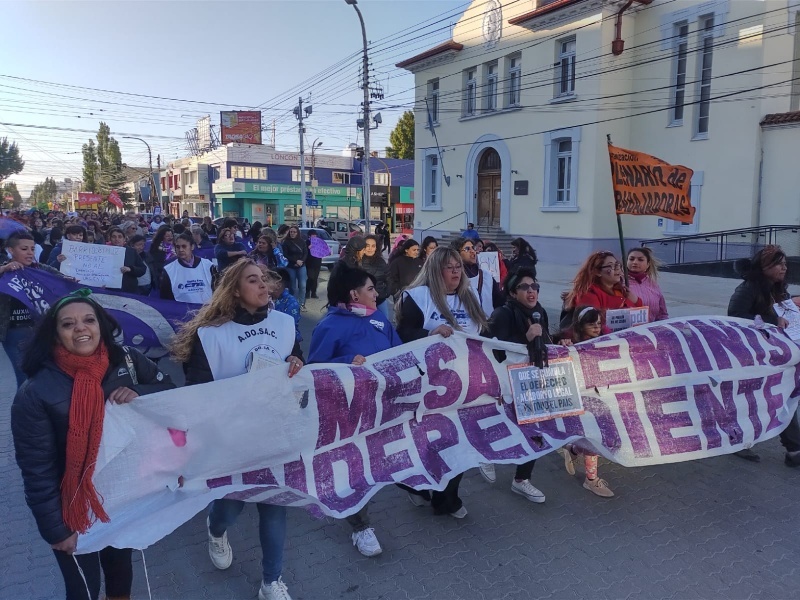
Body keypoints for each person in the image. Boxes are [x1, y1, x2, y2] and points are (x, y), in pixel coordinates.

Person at [11, 290, 175, 600]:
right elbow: (37, 470)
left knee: (119, 574)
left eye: (88, 320)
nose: (81, 329)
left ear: (101, 325)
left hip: (121, 497)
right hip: (72, 509)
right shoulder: (35, 392)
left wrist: (139, 391)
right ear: (56, 335)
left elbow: (170, 392)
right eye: (68, 324)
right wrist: (56, 530)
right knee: (83, 590)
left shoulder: (127, 359)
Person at [171, 259, 304, 600]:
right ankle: (216, 532)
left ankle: (271, 581)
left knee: (275, 505)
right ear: (234, 291)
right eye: (253, 280)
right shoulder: (211, 336)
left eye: (264, 279)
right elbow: (197, 391)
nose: (264, 285)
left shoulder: (285, 323)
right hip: (232, 438)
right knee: (229, 509)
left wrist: (295, 363)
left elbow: (297, 361)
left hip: (276, 431)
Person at [308, 264, 402, 557]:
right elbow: (315, 370)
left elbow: (400, 353)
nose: (377, 294)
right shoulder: (329, 326)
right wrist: (349, 360)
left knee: (377, 463)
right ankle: (361, 527)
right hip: (346, 414)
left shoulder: (380, 321)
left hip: (381, 409)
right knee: (355, 468)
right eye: (371, 289)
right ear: (354, 293)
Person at [396, 246, 488, 518]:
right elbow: (401, 336)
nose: (457, 271)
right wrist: (429, 333)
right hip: (426, 387)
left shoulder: (469, 296)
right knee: (425, 444)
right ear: (436, 271)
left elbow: (485, 333)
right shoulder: (417, 297)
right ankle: (417, 485)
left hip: (464, 387)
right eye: (450, 267)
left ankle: (447, 498)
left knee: (461, 442)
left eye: (458, 266)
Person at [482, 267, 571, 499]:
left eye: (534, 287)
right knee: (504, 426)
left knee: (535, 429)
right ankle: (486, 455)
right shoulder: (502, 314)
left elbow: (546, 340)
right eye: (524, 287)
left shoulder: (539, 311)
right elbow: (494, 350)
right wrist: (525, 338)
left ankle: (522, 479)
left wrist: (560, 342)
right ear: (512, 292)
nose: (531, 291)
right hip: (506, 386)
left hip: (534, 381)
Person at [728, 245, 800, 465]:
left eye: (785, 263)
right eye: (779, 263)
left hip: (776, 354)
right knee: (756, 400)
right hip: (751, 356)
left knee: (779, 396)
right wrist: (771, 322)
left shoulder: (778, 289)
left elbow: (786, 315)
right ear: (764, 266)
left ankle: (794, 449)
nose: (784, 268)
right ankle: (739, 441)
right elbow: (736, 316)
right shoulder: (748, 288)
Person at [557, 306, 615, 498]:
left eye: (599, 323)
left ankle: (573, 449)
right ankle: (591, 480)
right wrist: (562, 344)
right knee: (594, 436)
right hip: (580, 397)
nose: (597, 328)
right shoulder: (569, 342)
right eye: (592, 324)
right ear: (581, 326)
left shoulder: (605, 340)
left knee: (595, 435)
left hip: (599, 394)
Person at [0, 231, 66, 387]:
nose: (29, 253)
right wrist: (5, 269)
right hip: (14, 332)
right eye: (24, 249)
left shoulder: (41, 269)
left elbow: (63, 280)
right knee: (25, 377)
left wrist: (71, 281)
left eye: (32, 249)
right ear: (11, 250)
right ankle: (23, 410)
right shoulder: (5, 270)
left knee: (44, 373)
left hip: (40, 329)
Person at [564, 251, 642, 331]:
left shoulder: (621, 290)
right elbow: (591, 324)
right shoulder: (588, 293)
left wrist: (636, 301)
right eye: (611, 266)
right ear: (597, 272)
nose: (617, 269)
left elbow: (641, 316)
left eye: (617, 264)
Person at [450, 237, 502, 317]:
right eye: (467, 249)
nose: (473, 251)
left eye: (473, 248)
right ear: (457, 253)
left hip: (486, 323)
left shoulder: (486, 276)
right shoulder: (453, 277)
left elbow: (498, 301)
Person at [160, 232, 215, 304]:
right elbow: (165, 298)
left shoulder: (208, 265)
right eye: (178, 247)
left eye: (184, 246)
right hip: (181, 312)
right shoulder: (169, 269)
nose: (181, 250)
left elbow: (217, 289)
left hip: (206, 311)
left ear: (192, 247)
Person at [626, 247, 668, 322]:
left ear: (648, 264)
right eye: (631, 259)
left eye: (640, 260)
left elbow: (662, 314)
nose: (635, 262)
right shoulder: (621, 282)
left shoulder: (653, 284)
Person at [105, 227, 147, 294]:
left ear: (124, 239)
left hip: (128, 290)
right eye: (114, 237)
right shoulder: (104, 252)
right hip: (109, 289)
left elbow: (142, 269)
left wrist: (130, 269)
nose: (117, 239)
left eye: (120, 237)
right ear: (110, 239)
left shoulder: (131, 252)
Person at [361, 234, 390, 316]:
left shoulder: (381, 261)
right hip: (363, 302)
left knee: (385, 323)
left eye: (373, 246)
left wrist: (387, 292)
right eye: (368, 246)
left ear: (376, 248)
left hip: (380, 299)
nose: (370, 249)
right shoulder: (357, 262)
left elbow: (388, 278)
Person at [272, 268, 302, 344]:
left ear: (278, 284)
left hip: (288, 342)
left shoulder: (291, 302)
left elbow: (288, 327)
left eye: (267, 280)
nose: (263, 283)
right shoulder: (266, 299)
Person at [281, 225, 308, 308]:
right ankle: (292, 302)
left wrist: (301, 261)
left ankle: (301, 303)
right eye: (291, 232)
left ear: (297, 233)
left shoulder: (302, 241)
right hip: (290, 266)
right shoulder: (286, 242)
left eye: (294, 232)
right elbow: (285, 254)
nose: (292, 233)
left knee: (302, 285)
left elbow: (305, 253)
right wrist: (295, 261)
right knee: (292, 287)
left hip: (301, 265)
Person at [304, 229, 324, 300]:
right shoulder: (307, 242)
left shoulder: (318, 242)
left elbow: (322, 249)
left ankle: (313, 292)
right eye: (313, 235)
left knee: (315, 278)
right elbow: (304, 251)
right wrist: (308, 248)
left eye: (315, 235)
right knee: (310, 278)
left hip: (317, 263)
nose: (314, 236)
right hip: (309, 263)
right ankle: (307, 292)